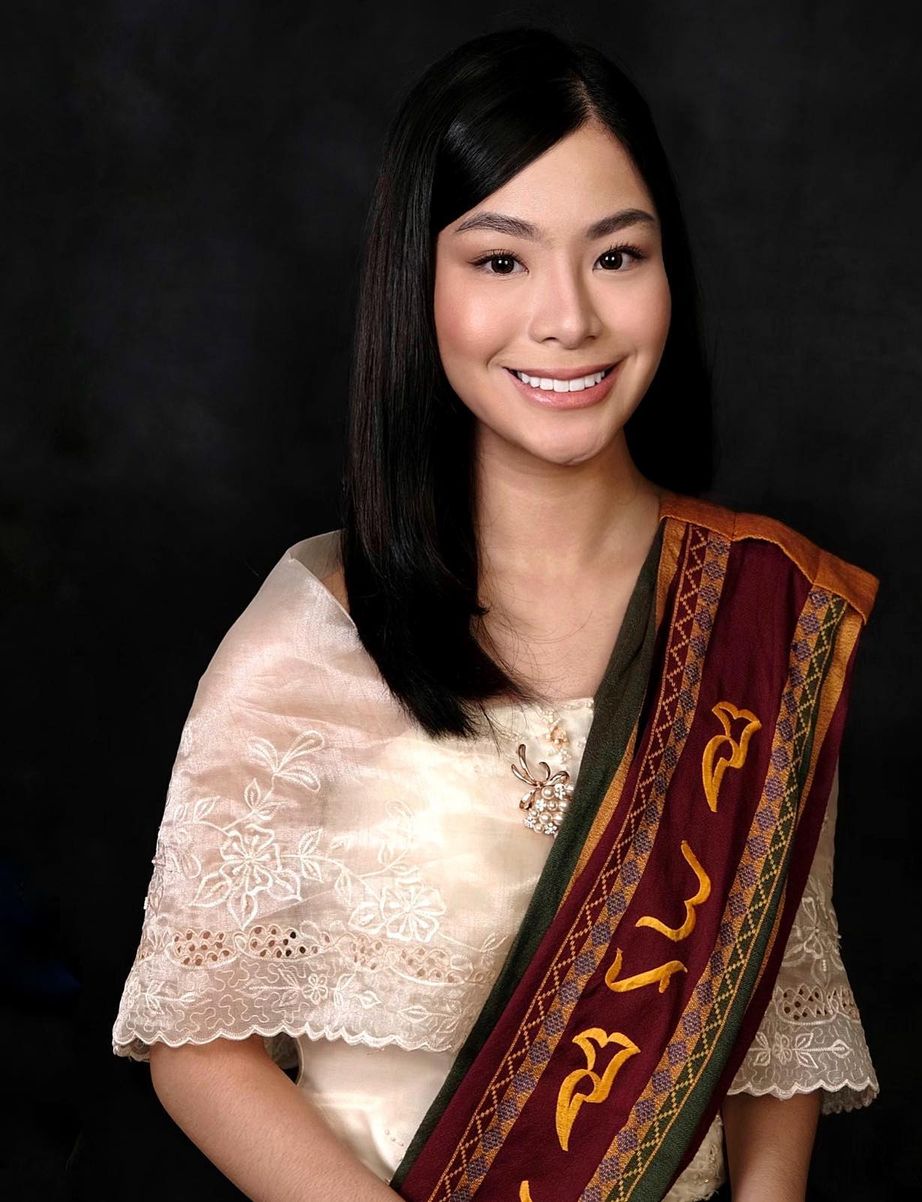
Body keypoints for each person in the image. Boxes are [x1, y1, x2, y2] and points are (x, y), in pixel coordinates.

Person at [112, 27, 879, 1202]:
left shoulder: (762, 618)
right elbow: (199, 1047)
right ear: (418, 283)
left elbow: (774, 1019)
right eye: (501, 260)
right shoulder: (307, 643)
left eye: (615, 255)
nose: (568, 317)